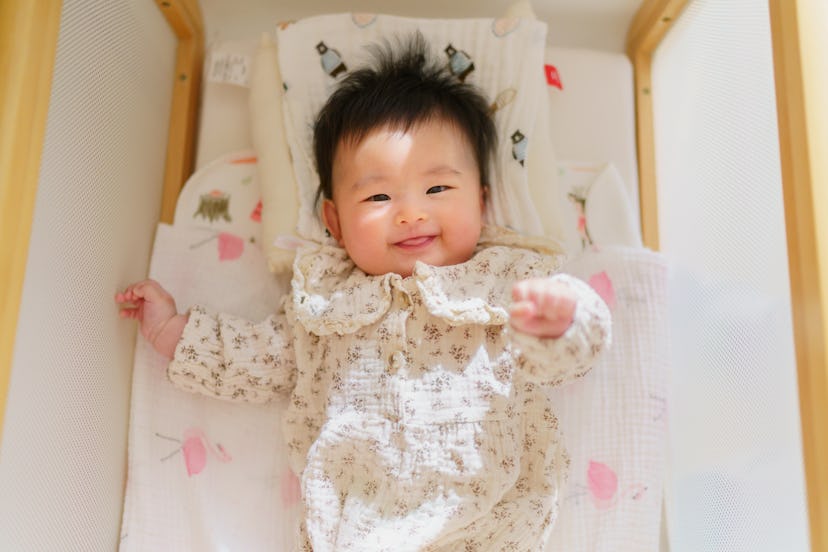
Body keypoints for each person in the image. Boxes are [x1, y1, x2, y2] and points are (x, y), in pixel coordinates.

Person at [116, 34, 611, 551]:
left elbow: (569, 361)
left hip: (489, 521)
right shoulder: (325, 301)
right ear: (334, 220)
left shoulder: (505, 281)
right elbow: (264, 358)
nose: (411, 212)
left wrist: (564, 321)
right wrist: (176, 332)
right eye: (378, 195)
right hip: (358, 526)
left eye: (438, 189)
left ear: (482, 202)